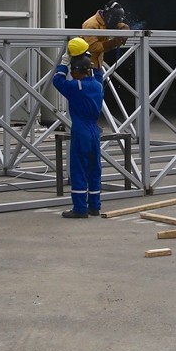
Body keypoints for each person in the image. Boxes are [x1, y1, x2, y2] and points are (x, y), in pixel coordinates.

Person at [52, 37, 104, 218]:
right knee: (94, 168)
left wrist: (64, 63)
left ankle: (80, 208)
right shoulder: (97, 85)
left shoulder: (76, 87)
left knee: (79, 168)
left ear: (76, 70)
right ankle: (95, 206)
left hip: (81, 130)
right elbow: (98, 72)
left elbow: (57, 81)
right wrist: (96, 56)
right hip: (94, 130)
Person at [81, 0, 130, 69]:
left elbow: (117, 23)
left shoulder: (108, 19)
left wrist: (124, 28)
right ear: (109, 15)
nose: (117, 22)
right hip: (85, 66)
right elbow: (92, 47)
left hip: (98, 65)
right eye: (115, 19)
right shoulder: (91, 24)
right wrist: (114, 42)